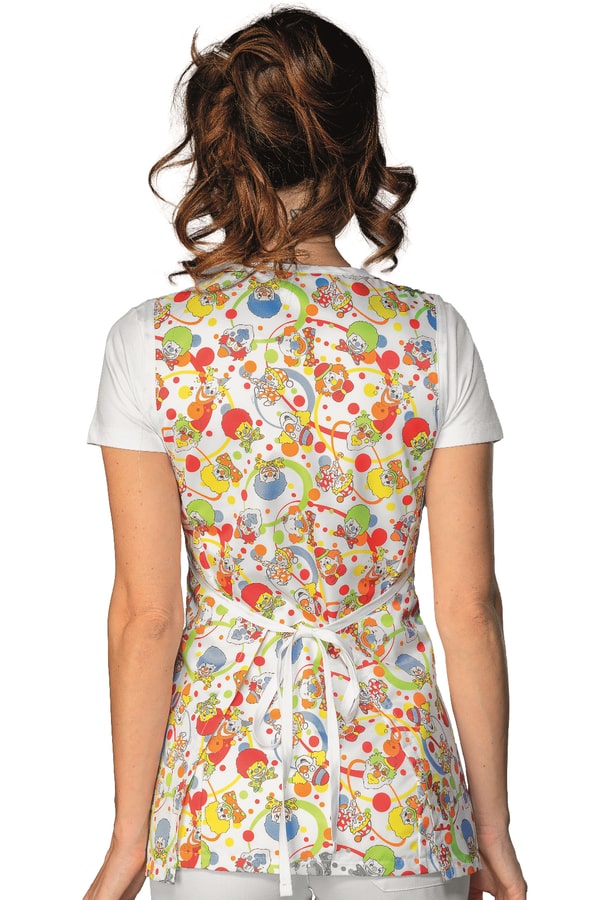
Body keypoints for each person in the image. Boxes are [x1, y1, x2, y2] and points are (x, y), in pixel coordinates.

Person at [84, 8, 526, 900]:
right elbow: (469, 607)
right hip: (401, 800)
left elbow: (147, 617)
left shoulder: (153, 342)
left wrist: (130, 836)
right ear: (361, 145)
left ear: (221, 149)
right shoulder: (433, 336)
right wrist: (492, 829)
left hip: (216, 803)